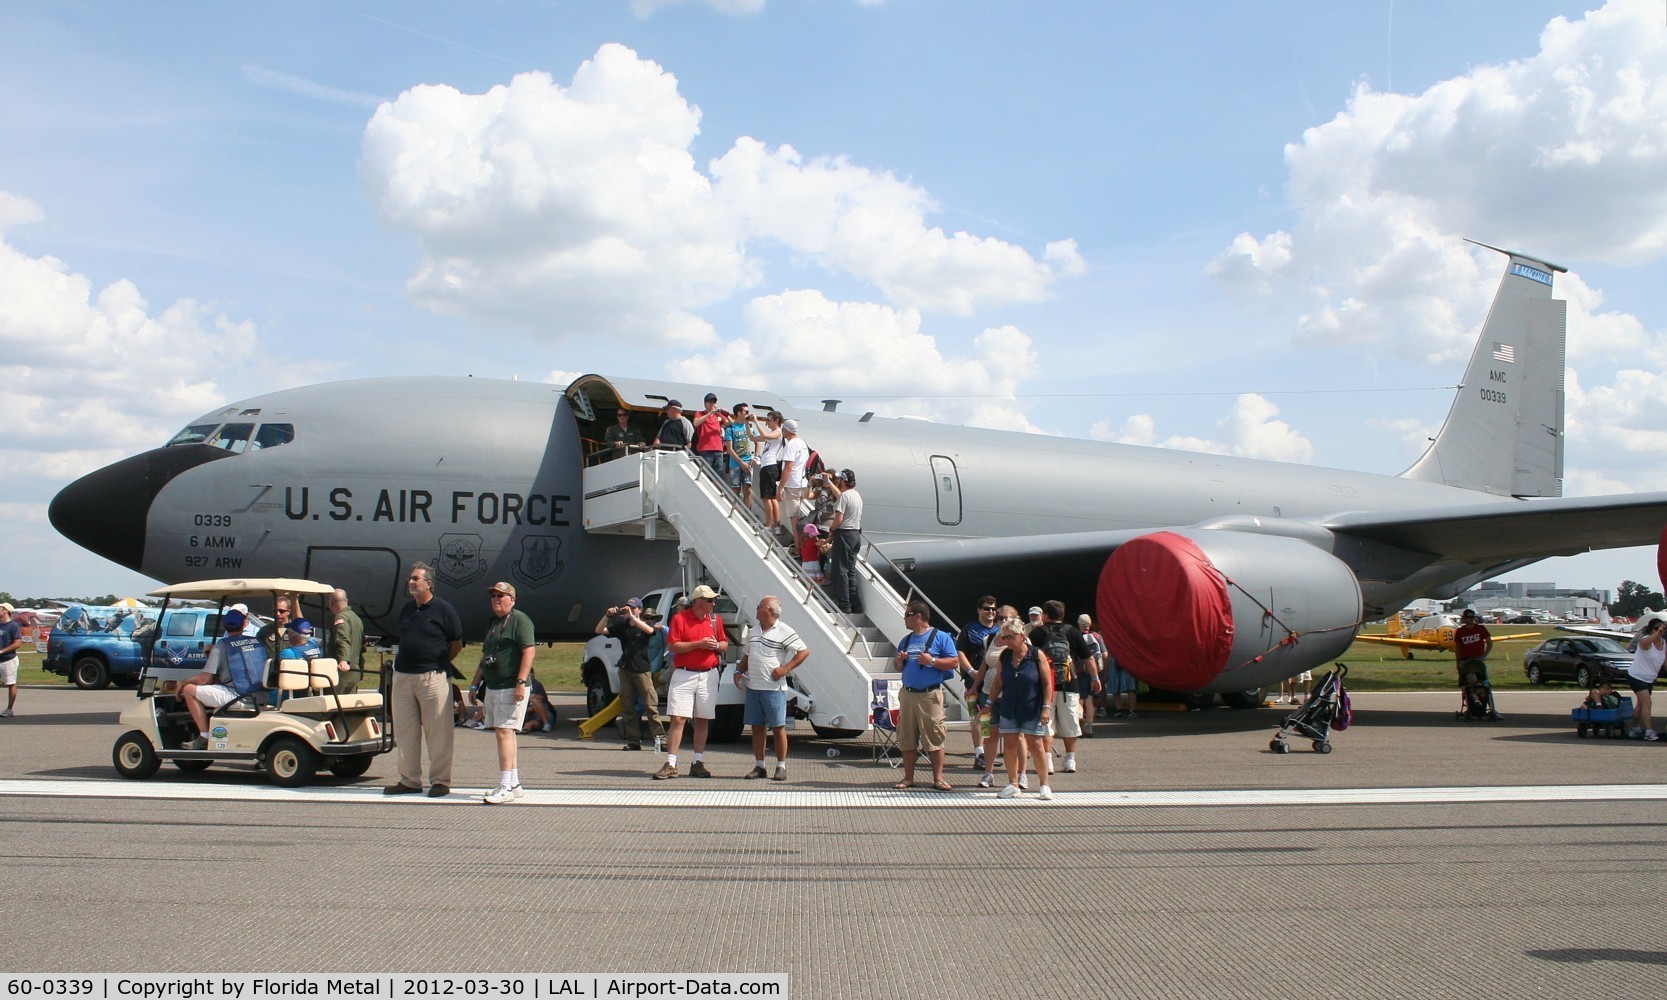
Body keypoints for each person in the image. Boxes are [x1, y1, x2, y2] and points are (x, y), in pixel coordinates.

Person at [387, 562, 463, 797]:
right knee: (405, 731)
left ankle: (440, 780)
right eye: (410, 579)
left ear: (428, 583)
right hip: (403, 677)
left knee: (438, 731)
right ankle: (409, 780)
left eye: (415, 579)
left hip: (433, 676)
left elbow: (456, 643)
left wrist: (438, 663)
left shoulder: (444, 609)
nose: (411, 582)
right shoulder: (407, 609)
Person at [654, 584, 728, 779]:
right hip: (684, 673)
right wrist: (699, 644)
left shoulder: (715, 620)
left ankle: (697, 761)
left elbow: (724, 643)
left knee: (702, 719)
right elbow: (674, 646)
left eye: (713, 600)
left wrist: (717, 645)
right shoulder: (680, 619)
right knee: (678, 718)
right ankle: (671, 762)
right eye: (709, 600)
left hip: (709, 673)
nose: (713, 604)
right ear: (697, 601)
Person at [472, 581, 536, 804]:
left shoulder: (520, 620)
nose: (496, 599)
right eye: (494, 596)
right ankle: (515, 783)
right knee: (504, 731)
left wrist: (520, 682)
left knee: (504, 732)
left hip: (511, 684)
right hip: (494, 684)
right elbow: (486, 655)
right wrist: (474, 684)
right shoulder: (494, 623)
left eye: (501, 596)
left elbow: (528, 651)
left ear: (512, 599)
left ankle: (505, 785)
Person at [734, 595, 808, 781]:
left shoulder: (784, 630)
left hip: (774, 689)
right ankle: (760, 766)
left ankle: (781, 766)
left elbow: (803, 651)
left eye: (759, 606)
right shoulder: (753, 631)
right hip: (754, 686)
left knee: (777, 727)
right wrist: (737, 671)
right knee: (757, 727)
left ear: (769, 610)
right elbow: (748, 656)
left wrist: (784, 669)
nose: (756, 609)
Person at [891, 599, 959, 791]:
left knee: (934, 736)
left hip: (930, 695)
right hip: (907, 694)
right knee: (907, 736)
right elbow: (898, 667)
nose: (905, 619)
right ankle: (908, 777)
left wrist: (932, 661)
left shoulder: (941, 637)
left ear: (918, 617)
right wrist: (899, 661)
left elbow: (954, 662)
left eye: (907, 615)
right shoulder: (906, 640)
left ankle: (938, 778)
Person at [178, 609, 267, 749]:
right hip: (261, 695)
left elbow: (204, 679)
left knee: (189, 690)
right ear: (244, 625)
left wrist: (183, 683)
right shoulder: (257, 642)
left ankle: (204, 737)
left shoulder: (221, 646)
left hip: (239, 696)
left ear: (224, 627)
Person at [987, 618, 1055, 800]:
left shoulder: (1036, 654)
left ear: (1022, 635)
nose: (1007, 641)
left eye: (1010, 637)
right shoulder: (1005, 656)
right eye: (1004, 637)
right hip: (1009, 706)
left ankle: (1044, 785)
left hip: (1032, 706)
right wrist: (988, 704)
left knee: (1036, 745)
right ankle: (1013, 783)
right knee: (1010, 745)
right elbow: (998, 682)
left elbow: (1047, 683)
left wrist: (1046, 708)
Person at [1031, 600, 1100, 775]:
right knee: (1071, 723)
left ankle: (1047, 760)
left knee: (1047, 724)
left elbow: (1030, 659)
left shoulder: (1038, 633)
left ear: (1045, 616)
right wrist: (1095, 678)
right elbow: (1088, 658)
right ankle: (1070, 759)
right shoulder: (1073, 632)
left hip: (1045, 685)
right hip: (1070, 684)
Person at [599, 597, 663, 752]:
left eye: (633, 608)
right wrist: (607, 616)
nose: (630, 609)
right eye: (628, 607)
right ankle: (634, 740)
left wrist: (633, 617)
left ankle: (660, 738)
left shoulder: (645, 625)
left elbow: (650, 631)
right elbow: (599, 631)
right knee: (628, 706)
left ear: (639, 610)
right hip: (626, 669)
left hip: (642, 670)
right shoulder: (623, 626)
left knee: (650, 705)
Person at [957, 596, 1001, 777]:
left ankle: (988, 752)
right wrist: (970, 671)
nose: (990, 612)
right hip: (974, 681)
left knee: (990, 718)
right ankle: (979, 753)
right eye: (986, 608)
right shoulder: (969, 629)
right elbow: (960, 652)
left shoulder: (1000, 629)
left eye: (993, 609)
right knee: (976, 716)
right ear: (979, 610)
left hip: (995, 681)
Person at [825, 468, 864, 614]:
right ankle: (855, 603)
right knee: (850, 571)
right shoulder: (857, 496)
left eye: (839, 479)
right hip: (856, 534)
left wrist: (832, 530)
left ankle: (844, 603)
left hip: (844, 534)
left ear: (843, 480)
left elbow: (839, 519)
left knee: (840, 570)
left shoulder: (844, 497)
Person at [1454, 608, 1501, 721]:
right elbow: (1457, 648)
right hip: (1465, 661)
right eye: (1468, 617)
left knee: (1485, 684)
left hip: (1478, 660)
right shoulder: (1460, 631)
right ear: (1464, 618)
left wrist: (1484, 655)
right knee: (1467, 683)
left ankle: (1491, 708)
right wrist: (1458, 662)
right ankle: (1471, 706)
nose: (1470, 619)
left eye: (1472, 617)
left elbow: (1489, 642)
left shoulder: (1480, 629)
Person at [1626, 617, 1665, 741]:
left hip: (1649, 678)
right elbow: (1644, 644)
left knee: (1641, 705)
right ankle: (1649, 731)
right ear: (1651, 629)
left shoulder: (1664, 643)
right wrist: (1657, 633)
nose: (1659, 631)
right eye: (1656, 628)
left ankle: (1634, 728)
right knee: (1647, 702)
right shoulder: (1644, 641)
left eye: (1662, 628)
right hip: (1636, 676)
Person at [324, 588, 365, 694]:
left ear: (331, 603)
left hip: (342, 672)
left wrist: (343, 661)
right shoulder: (356, 618)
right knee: (348, 706)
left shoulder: (341, 618)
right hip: (354, 670)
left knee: (335, 705)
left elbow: (342, 640)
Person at [750, 410, 786, 530]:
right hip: (767, 466)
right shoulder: (772, 434)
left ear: (777, 420)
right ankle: (776, 525)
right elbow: (753, 437)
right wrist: (746, 423)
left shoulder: (778, 432)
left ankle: (769, 525)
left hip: (770, 466)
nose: (767, 422)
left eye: (769, 420)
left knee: (766, 498)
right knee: (771, 497)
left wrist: (756, 421)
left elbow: (765, 436)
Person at [777, 419, 811, 539]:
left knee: (794, 518)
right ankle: (803, 545)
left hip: (792, 484)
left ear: (786, 430)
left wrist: (780, 488)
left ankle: (798, 548)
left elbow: (788, 467)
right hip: (803, 483)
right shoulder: (803, 443)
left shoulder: (791, 445)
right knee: (800, 517)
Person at [690, 392, 728, 477]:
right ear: (705, 403)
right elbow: (695, 423)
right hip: (705, 450)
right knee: (705, 475)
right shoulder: (699, 413)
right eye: (710, 402)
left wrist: (726, 414)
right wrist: (710, 413)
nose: (712, 404)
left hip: (718, 449)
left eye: (714, 402)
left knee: (718, 476)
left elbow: (730, 424)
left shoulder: (718, 415)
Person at [724, 402, 755, 508]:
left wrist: (755, 457)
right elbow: (729, 449)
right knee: (735, 489)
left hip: (748, 462)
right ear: (739, 413)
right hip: (735, 464)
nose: (748, 413)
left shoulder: (749, 427)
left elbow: (756, 442)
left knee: (747, 489)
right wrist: (741, 463)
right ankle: (735, 513)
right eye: (746, 411)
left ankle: (747, 516)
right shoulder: (730, 428)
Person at [0, 603, 21, 718]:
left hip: (8, 660)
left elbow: (17, 643)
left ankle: (9, 709)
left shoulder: (13, 626)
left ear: (5, 611)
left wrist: (2, 651)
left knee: (10, 683)